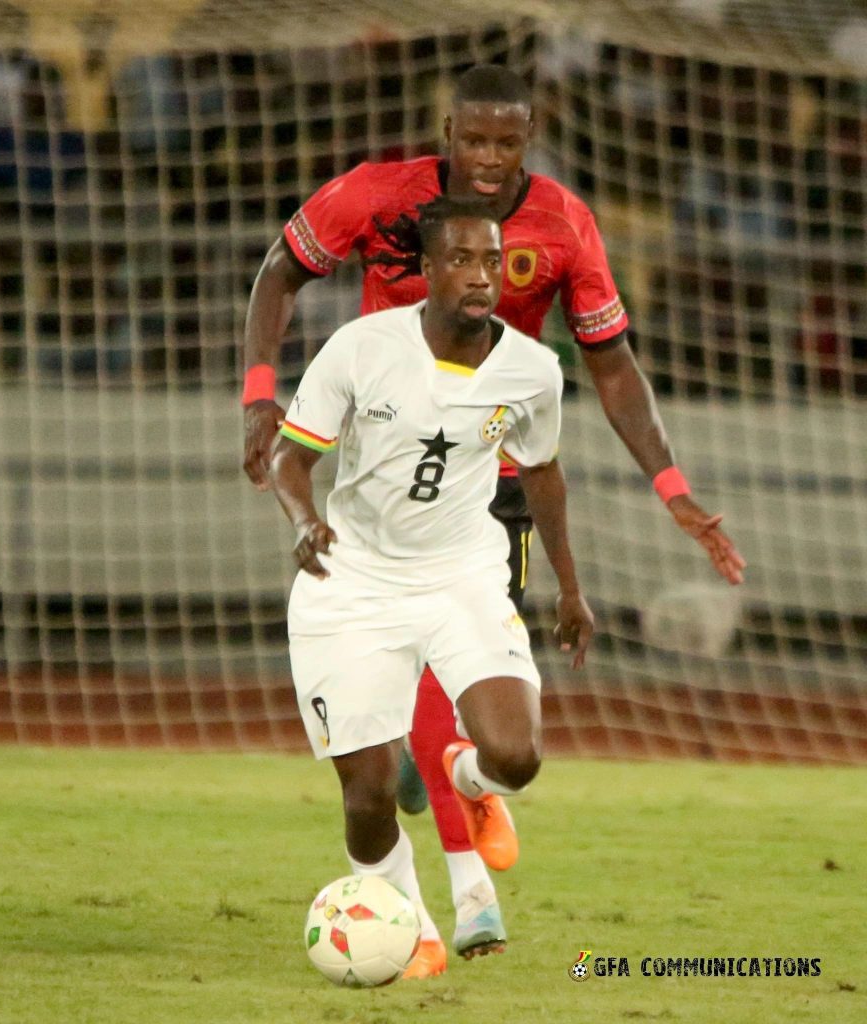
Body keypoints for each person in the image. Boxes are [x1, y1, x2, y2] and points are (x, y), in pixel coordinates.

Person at [242, 64, 745, 976]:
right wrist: (258, 396)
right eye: (472, 139)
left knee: (478, 714)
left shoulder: (563, 231)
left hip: (490, 477)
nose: (486, 158)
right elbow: (281, 271)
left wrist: (670, 488)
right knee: (377, 763)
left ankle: (468, 832)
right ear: (447, 134)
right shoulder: (375, 206)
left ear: (529, 140)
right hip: (383, 463)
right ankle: (448, 904)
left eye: (504, 143)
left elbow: (613, 366)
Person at [270, 196, 594, 980]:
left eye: (493, 261)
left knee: (516, 757)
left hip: (462, 576)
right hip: (352, 584)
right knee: (368, 794)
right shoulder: (362, 348)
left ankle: (466, 778)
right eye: (461, 259)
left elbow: (542, 472)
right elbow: (290, 458)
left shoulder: (532, 370)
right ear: (426, 268)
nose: (481, 277)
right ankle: (410, 929)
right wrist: (304, 521)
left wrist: (569, 586)